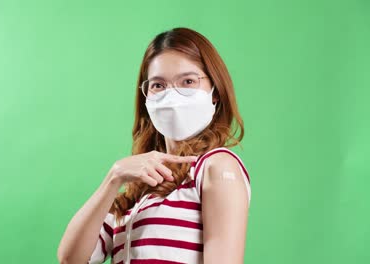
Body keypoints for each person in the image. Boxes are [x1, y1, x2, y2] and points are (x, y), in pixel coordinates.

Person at [57, 27, 252, 264]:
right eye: (158, 85)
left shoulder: (216, 166)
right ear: (146, 96)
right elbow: (71, 259)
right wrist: (114, 178)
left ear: (215, 92)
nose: (172, 96)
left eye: (188, 81)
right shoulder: (135, 193)